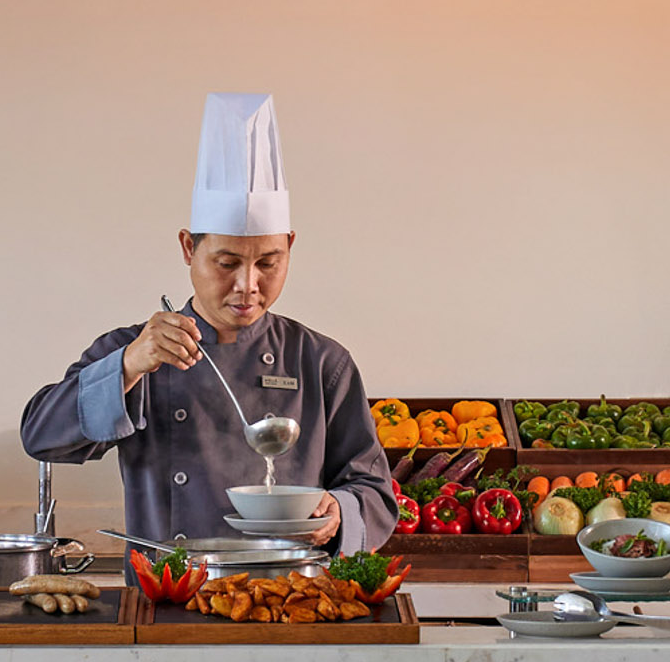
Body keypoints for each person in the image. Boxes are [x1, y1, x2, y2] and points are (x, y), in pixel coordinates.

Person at [20, 92, 397, 554]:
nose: (247, 285)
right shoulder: (134, 351)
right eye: (227, 262)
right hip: (167, 600)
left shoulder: (322, 362)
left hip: (288, 602)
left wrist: (339, 512)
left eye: (268, 263)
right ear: (187, 249)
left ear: (291, 248)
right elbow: (40, 437)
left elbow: (373, 492)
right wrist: (129, 366)